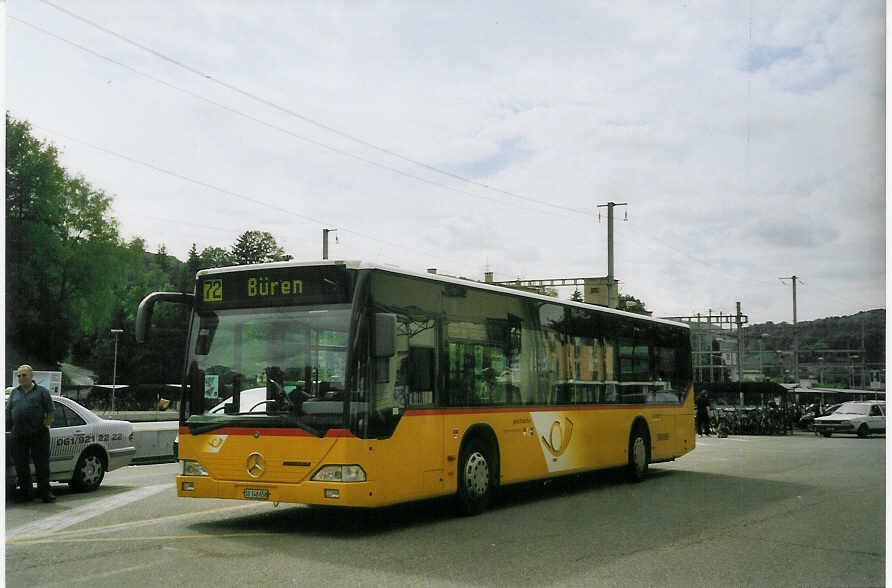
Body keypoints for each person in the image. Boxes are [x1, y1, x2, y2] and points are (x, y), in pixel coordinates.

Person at [7, 365, 55, 503]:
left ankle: (45, 493)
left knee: (42, 466)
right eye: (19, 376)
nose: (21, 378)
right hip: (18, 435)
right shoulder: (14, 393)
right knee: (21, 466)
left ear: (32, 376)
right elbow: (8, 412)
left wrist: (46, 425)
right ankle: (26, 494)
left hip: (38, 435)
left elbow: (51, 411)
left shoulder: (42, 392)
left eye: (24, 375)